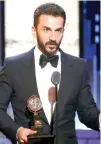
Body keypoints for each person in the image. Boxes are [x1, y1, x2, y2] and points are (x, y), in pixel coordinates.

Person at [0, 2, 100, 144]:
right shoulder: (13, 66)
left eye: (58, 30)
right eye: (46, 30)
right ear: (34, 31)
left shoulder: (78, 67)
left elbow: (88, 112)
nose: (53, 37)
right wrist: (17, 131)